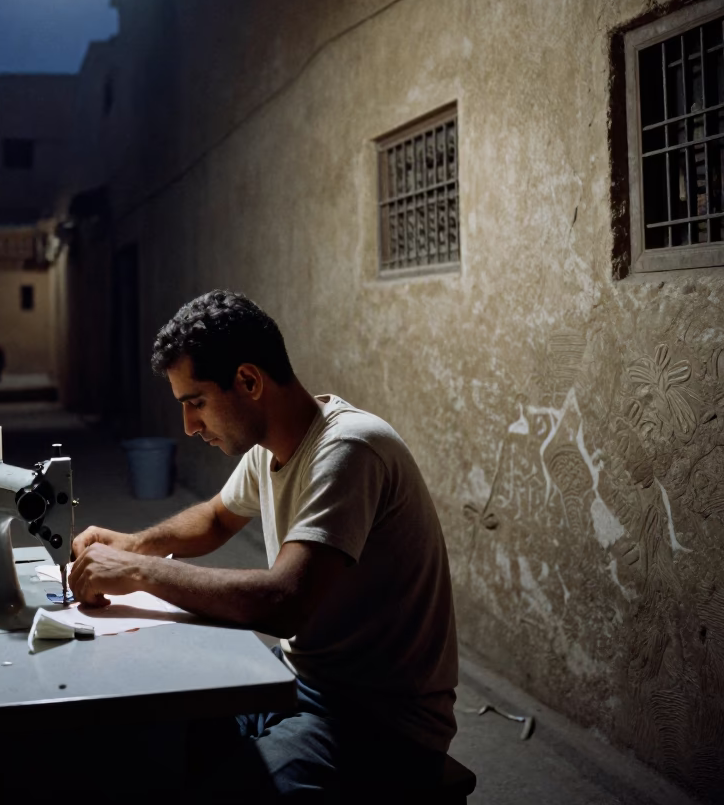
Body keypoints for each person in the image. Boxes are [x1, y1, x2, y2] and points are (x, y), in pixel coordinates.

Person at [69, 290, 458, 799]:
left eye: (196, 403)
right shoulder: (269, 448)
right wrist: (136, 543)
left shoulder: (350, 449)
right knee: (155, 722)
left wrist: (138, 572)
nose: (189, 427)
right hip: (300, 678)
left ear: (249, 381)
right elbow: (214, 519)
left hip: (378, 717)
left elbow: (284, 602)